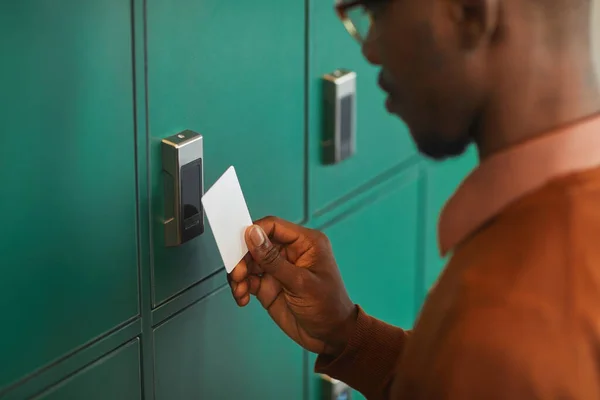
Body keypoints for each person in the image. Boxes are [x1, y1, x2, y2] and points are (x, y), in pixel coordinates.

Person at [228, 0, 600, 398]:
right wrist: (350, 337)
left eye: (378, 10)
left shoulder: (501, 328)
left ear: (472, 14)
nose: (369, 49)